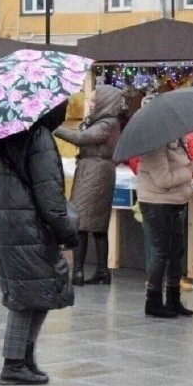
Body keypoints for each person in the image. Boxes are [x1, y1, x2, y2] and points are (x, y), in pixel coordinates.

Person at [0, 101, 77, 385]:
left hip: (11, 227)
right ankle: (14, 364)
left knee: (34, 293)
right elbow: (50, 195)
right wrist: (68, 230)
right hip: (30, 228)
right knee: (27, 297)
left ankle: (24, 360)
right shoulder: (37, 137)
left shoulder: (3, 135)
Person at [54, 84, 121, 286]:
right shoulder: (102, 121)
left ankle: (79, 272)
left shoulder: (107, 123)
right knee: (98, 226)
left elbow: (81, 138)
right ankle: (102, 271)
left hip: (94, 173)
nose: (90, 103)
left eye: (93, 100)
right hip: (95, 170)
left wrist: (54, 127)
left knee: (81, 224)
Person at [136, 135, 193, 318]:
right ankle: (153, 300)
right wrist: (191, 169)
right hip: (156, 203)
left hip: (175, 201)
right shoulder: (153, 143)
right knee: (161, 252)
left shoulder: (178, 140)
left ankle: (173, 298)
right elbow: (164, 179)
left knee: (176, 251)